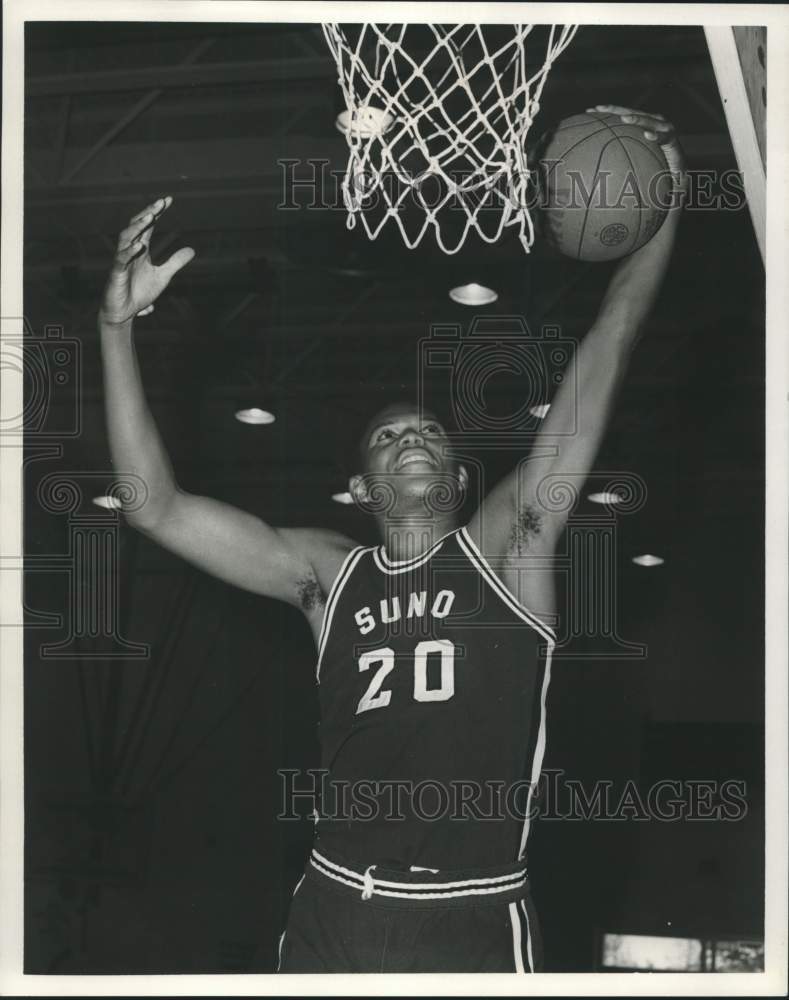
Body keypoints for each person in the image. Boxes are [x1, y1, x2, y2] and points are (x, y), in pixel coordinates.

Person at [98, 106, 685, 973]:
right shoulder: (324, 577)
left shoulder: (510, 545)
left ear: (456, 481)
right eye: (386, 437)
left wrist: (666, 200)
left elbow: (610, 342)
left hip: (470, 915)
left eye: (429, 434)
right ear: (361, 492)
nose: (411, 438)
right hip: (333, 904)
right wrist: (114, 330)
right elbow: (153, 507)